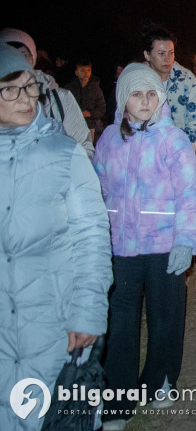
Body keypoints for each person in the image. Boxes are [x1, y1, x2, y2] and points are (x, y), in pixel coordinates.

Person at [0, 44, 112, 431]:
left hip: (54, 325)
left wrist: (88, 310)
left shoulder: (63, 154)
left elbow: (92, 234)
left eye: (29, 87)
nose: (25, 98)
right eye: (10, 89)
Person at [93, 63, 196, 428]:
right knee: (120, 324)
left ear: (160, 98)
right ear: (124, 99)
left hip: (163, 245)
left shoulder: (172, 140)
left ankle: (160, 380)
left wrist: (186, 242)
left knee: (165, 315)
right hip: (121, 247)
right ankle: (117, 402)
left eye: (151, 94)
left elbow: (191, 193)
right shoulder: (108, 139)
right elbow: (96, 191)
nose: (144, 101)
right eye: (137, 94)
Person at [0, 28, 95, 157]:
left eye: (23, 54)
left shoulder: (60, 98)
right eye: (10, 54)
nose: (16, 61)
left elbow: (83, 147)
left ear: (32, 59)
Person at [141, 25, 196, 152]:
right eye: (161, 53)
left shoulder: (187, 79)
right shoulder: (137, 81)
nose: (167, 58)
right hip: (147, 155)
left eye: (171, 53)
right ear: (147, 55)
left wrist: (185, 150)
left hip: (182, 153)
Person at [64, 59, 106, 138]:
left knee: (87, 149)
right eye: (82, 70)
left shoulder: (95, 89)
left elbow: (102, 108)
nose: (86, 73)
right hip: (72, 126)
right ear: (76, 72)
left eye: (88, 70)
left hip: (89, 126)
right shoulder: (69, 88)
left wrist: (90, 113)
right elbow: (64, 106)